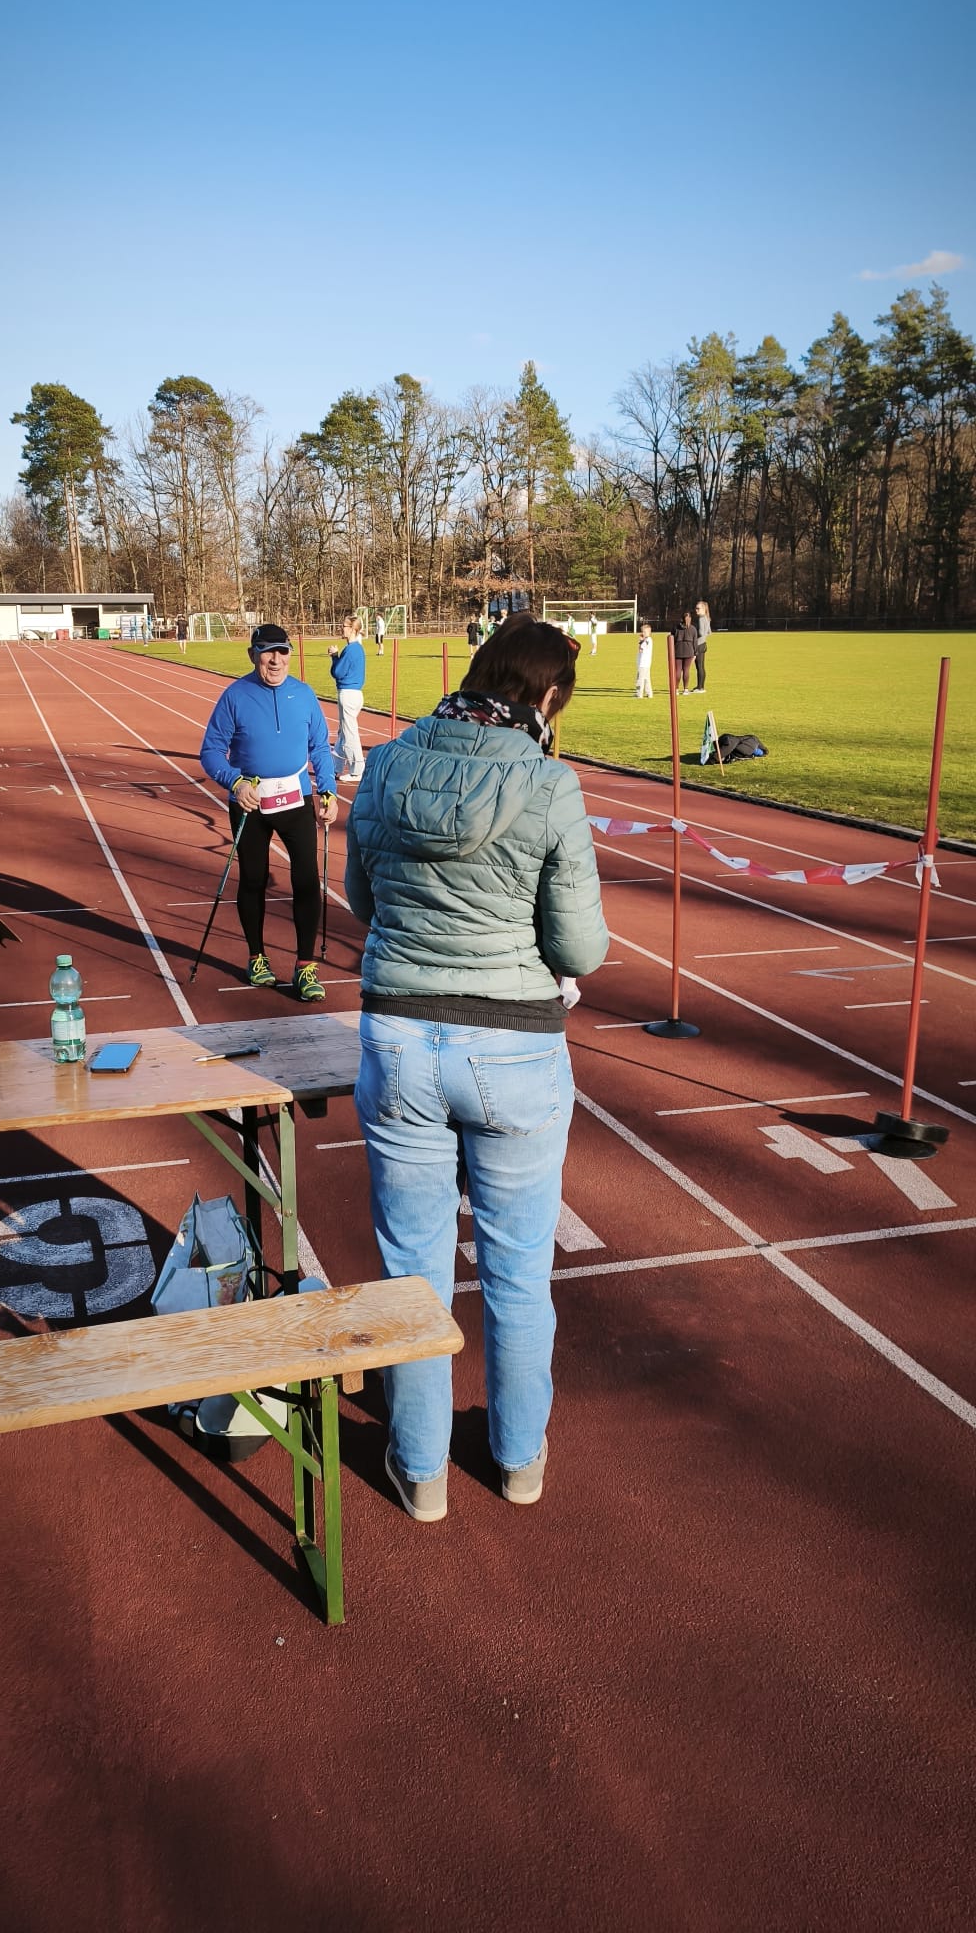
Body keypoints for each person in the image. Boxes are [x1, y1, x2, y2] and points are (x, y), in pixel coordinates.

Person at [346, 615, 609, 1520]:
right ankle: (518, 1460)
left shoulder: (386, 763)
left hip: (401, 1042)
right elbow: (581, 944)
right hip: (516, 1050)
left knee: (412, 1269)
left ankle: (419, 1471)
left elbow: (360, 899)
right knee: (518, 1271)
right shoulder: (549, 783)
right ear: (542, 698)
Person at [200, 623, 337, 1001]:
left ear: (291, 654)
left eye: (283, 651)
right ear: (253, 655)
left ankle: (305, 966)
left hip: (295, 799)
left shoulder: (305, 694)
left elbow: (320, 747)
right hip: (250, 802)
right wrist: (234, 782)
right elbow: (211, 752)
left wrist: (327, 789)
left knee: (307, 880)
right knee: (254, 880)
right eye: (267, 651)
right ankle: (256, 957)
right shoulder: (235, 696)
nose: (276, 660)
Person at [329, 612, 366, 783]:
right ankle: (335, 766)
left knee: (349, 733)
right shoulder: (355, 648)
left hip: (349, 694)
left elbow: (337, 672)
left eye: (344, 626)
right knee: (343, 732)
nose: (341, 628)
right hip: (353, 693)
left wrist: (334, 656)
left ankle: (357, 770)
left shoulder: (351, 649)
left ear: (352, 629)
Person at [673, 611, 699, 693]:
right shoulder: (693, 629)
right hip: (689, 651)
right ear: (690, 619)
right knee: (686, 670)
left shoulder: (675, 628)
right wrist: (695, 653)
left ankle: (676, 689)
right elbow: (695, 642)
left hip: (678, 651)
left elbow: (672, 640)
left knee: (677, 670)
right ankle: (685, 689)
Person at [693, 600, 711, 691]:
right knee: (701, 666)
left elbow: (701, 632)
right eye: (696, 608)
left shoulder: (701, 618)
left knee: (699, 667)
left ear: (703, 609)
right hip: (703, 644)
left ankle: (700, 687)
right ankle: (700, 686)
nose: (696, 610)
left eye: (698, 608)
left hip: (699, 645)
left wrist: (693, 634)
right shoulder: (707, 618)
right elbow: (709, 632)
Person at [635, 621, 654, 699]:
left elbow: (641, 650)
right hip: (646, 663)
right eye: (643, 631)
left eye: (645, 632)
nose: (643, 633)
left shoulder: (647, 640)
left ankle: (639, 694)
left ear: (649, 632)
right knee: (646, 679)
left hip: (643, 663)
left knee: (640, 679)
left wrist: (640, 641)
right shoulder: (648, 640)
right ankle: (649, 693)